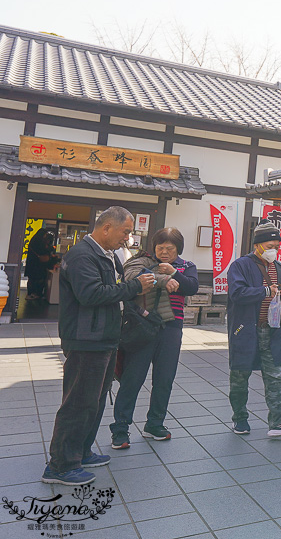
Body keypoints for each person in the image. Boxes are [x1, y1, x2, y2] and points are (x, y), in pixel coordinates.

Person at [43, 207, 154, 485]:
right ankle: (60, 466)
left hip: (104, 338)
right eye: (125, 232)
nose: (127, 238)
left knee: (94, 400)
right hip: (86, 340)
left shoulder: (107, 255)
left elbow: (111, 291)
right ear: (106, 228)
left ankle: (81, 452)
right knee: (78, 402)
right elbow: (90, 294)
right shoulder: (82, 255)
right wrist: (134, 287)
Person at [110, 227, 199, 449]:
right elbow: (131, 278)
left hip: (172, 329)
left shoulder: (187, 267)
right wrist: (161, 277)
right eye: (160, 248)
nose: (164, 252)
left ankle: (155, 424)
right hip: (143, 326)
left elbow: (191, 287)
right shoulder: (143, 262)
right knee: (132, 379)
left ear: (179, 249)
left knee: (164, 379)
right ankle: (120, 429)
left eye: (170, 248)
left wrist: (174, 273)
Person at [227, 222, 281, 437]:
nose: (274, 250)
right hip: (245, 329)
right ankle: (240, 419)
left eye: (277, 246)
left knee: (274, 376)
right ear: (257, 245)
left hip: (272, 329)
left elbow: (280, 295)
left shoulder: (279, 268)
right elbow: (236, 293)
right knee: (240, 375)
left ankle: (279, 422)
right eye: (270, 246)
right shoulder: (240, 265)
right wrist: (265, 291)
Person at [25, 228, 59, 301]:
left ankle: (30, 293)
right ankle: (35, 294)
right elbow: (43, 250)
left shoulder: (34, 240)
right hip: (37, 265)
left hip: (32, 264)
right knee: (38, 279)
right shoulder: (39, 242)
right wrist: (51, 250)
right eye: (45, 234)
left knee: (31, 279)